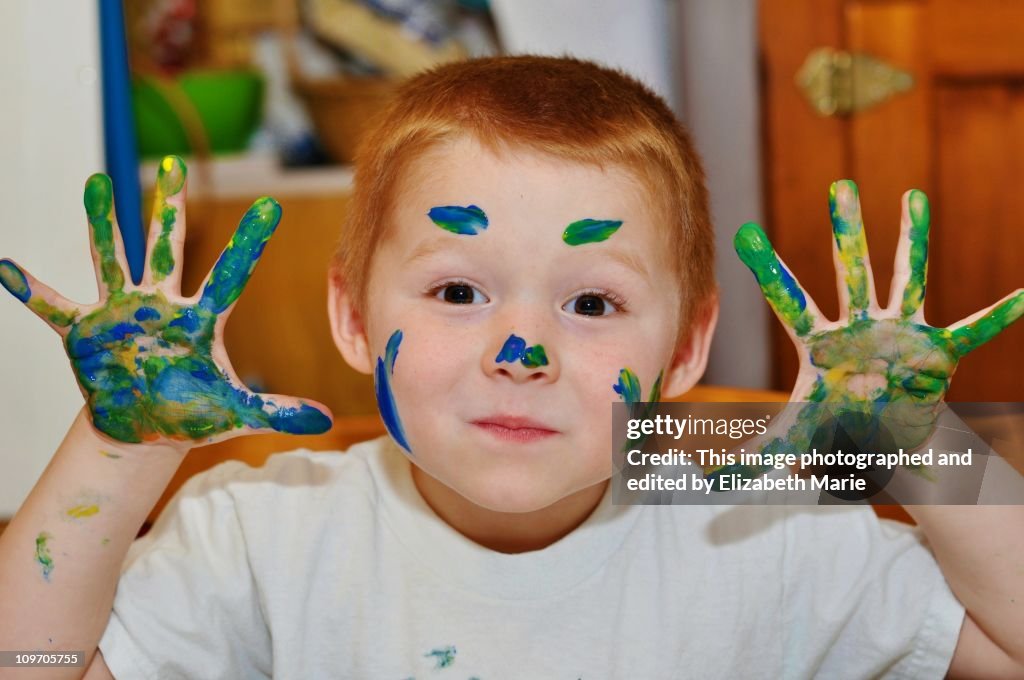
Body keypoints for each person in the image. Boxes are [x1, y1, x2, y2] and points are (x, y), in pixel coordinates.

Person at [1, 55, 1022, 679]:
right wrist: (115, 444)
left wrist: (915, 440)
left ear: (686, 347)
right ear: (352, 318)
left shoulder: (760, 528)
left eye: (590, 302)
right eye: (457, 291)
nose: (518, 351)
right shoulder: (262, 534)